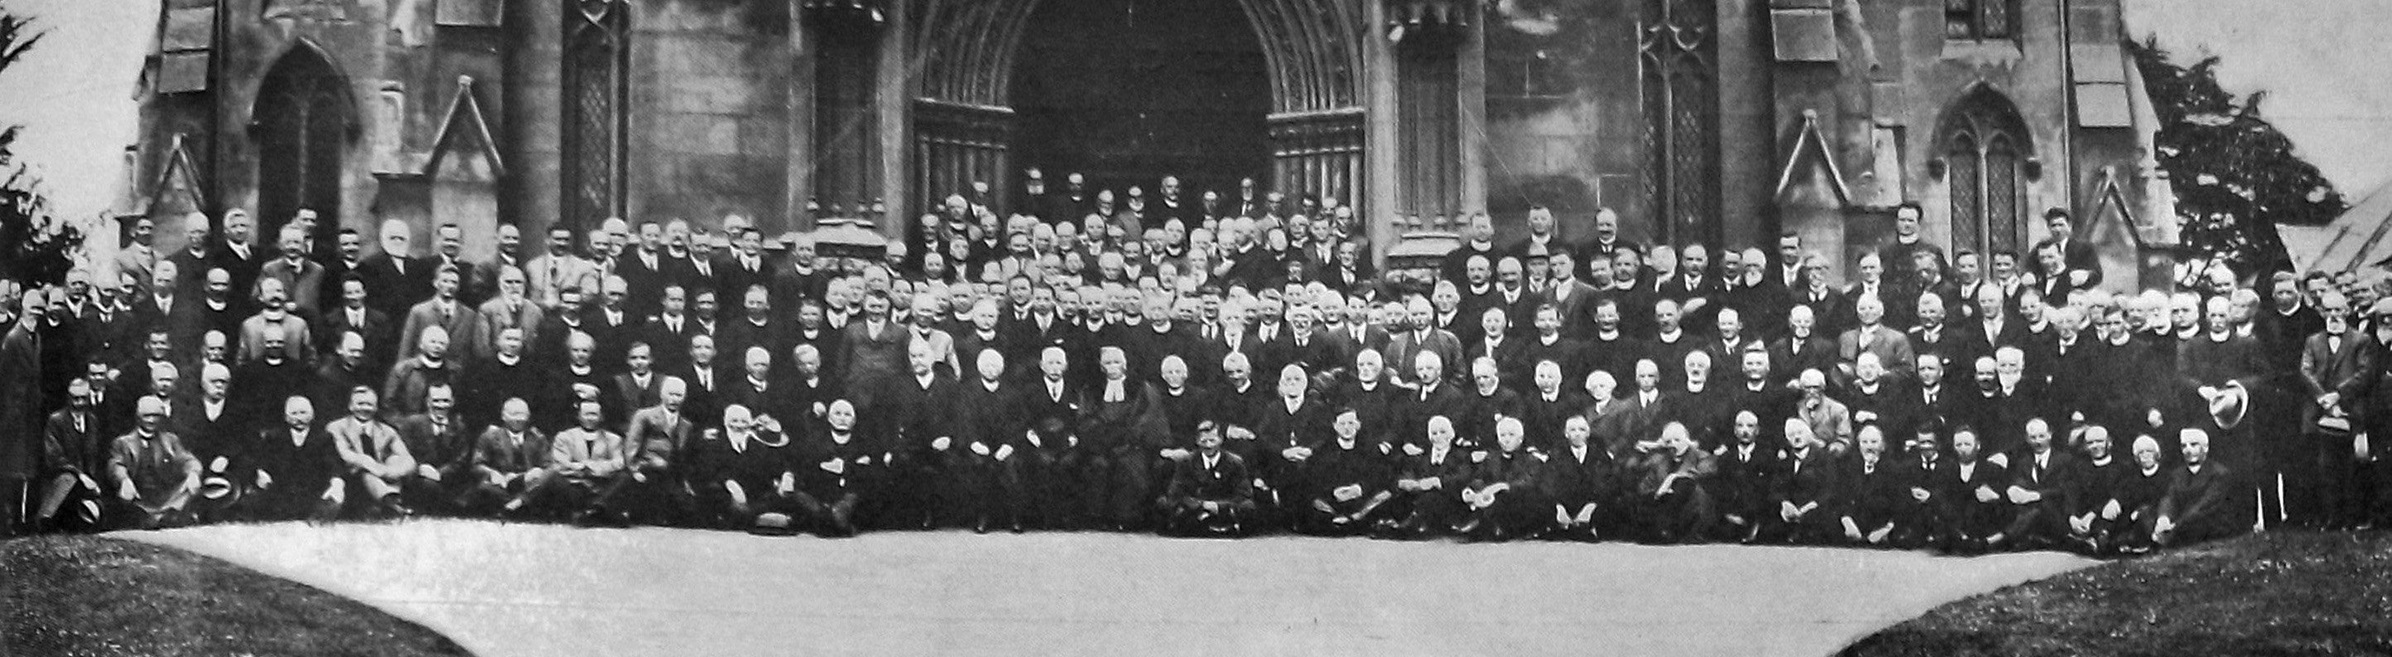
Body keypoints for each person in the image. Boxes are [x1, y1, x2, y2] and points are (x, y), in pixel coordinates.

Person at [235, 396, 345, 523]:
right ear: (286, 417)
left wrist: (336, 481)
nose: (299, 418)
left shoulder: (323, 438)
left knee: (330, 503)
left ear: (312, 415)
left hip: (313, 491)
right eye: (294, 413)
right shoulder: (274, 437)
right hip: (281, 490)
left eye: (303, 413)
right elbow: (262, 459)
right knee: (252, 504)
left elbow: (334, 463)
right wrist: (262, 472)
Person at [105, 396, 202, 530]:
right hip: (138, 496)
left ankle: (162, 516)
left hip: (165, 497)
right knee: (125, 499)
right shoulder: (123, 443)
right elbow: (116, 465)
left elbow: (186, 459)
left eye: (156, 416)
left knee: (187, 489)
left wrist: (193, 473)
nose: (151, 420)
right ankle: (158, 518)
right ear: (138, 417)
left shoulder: (170, 440)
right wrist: (124, 480)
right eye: (147, 416)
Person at [326, 386, 416, 519]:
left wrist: (387, 471)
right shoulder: (336, 427)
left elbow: (408, 460)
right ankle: (391, 504)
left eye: (369, 404)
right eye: (360, 404)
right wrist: (369, 464)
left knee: (395, 460)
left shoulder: (387, 431)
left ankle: (391, 503)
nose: (365, 408)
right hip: (352, 480)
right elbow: (345, 455)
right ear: (350, 406)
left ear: (376, 408)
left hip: (383, 478)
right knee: (365, 472)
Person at [1156, 419, 1256, 537]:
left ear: (1221, 440)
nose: (1208, 445)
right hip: (1195, 509)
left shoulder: (1235, 463)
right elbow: (1176, 492)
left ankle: (1225, 527)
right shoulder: (1186, 462)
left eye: (1212, 440)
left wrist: (1219, 506)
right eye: (1204, 441)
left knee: (1247, 506)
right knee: (1164, 503)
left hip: (1224, 508)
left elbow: (1243, 493)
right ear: (1197, 441)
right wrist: (1201, 505)